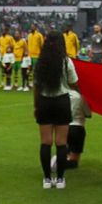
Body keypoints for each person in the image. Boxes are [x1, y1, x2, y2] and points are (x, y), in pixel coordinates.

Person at [34, 31, 79, 189]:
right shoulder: (66, 61)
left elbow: (37, 86)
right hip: (61, 101)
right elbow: (74, 82)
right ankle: (60, 179)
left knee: (45, 142)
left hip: (44, 102)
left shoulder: (41, 62)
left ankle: (47, 179)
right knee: (61, 143)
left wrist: (36, 106)